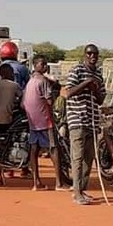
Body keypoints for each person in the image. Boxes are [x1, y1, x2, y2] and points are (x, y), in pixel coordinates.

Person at [65, 44, 105, 205]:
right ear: (84, 55)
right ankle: (76, 192)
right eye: (89, 53)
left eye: (95, 53)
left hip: (92, 120)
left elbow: (101, 99)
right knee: (78, 157)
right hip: (77, 118)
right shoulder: (77, 70)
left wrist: (94, 88)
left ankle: (81, 189)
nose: (92, 56)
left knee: (89, 158)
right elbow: (68, 92)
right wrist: (86, 83)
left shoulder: (99, 74)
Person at [23, 55, 70, 191]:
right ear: (36, 65)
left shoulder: (30, 82)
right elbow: (49, 101)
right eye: (42, 64)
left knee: (34, 150)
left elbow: (23, 102)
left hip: (33, 122)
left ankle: (36, 183)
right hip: (44, 120)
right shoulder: (43, 81)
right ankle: (59, 183)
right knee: (54, 148)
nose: (45, 66)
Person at [0, 63, 22, 130]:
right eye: (12, 73)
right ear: (10, 73)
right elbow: (22, 99)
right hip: (6, 120)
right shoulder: (14, 85)